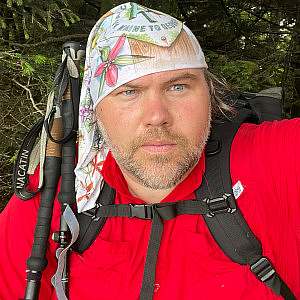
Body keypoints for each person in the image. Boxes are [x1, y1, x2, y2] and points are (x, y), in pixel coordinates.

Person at [0, 2, 299, 300]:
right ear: (95, 110)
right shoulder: (56, 192)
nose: (157, 116)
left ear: (209, 95)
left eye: (178, 87)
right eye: (129, 91)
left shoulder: (271, 160)